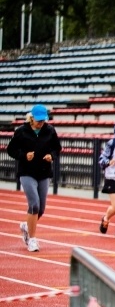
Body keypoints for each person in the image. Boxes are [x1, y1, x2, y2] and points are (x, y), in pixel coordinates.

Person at [7, 105, 62, 252]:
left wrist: (52, 156)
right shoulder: (21, 132)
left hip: (44, 172)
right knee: (34, 205)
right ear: (31, 118)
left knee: (41, 209)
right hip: (27, 172)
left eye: (43, 120)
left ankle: (26, 225)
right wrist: (24, 156)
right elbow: (10, 150)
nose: (41, 123)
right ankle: (32, 240)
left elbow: (57, 148)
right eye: (38, 120)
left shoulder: (50, 130)